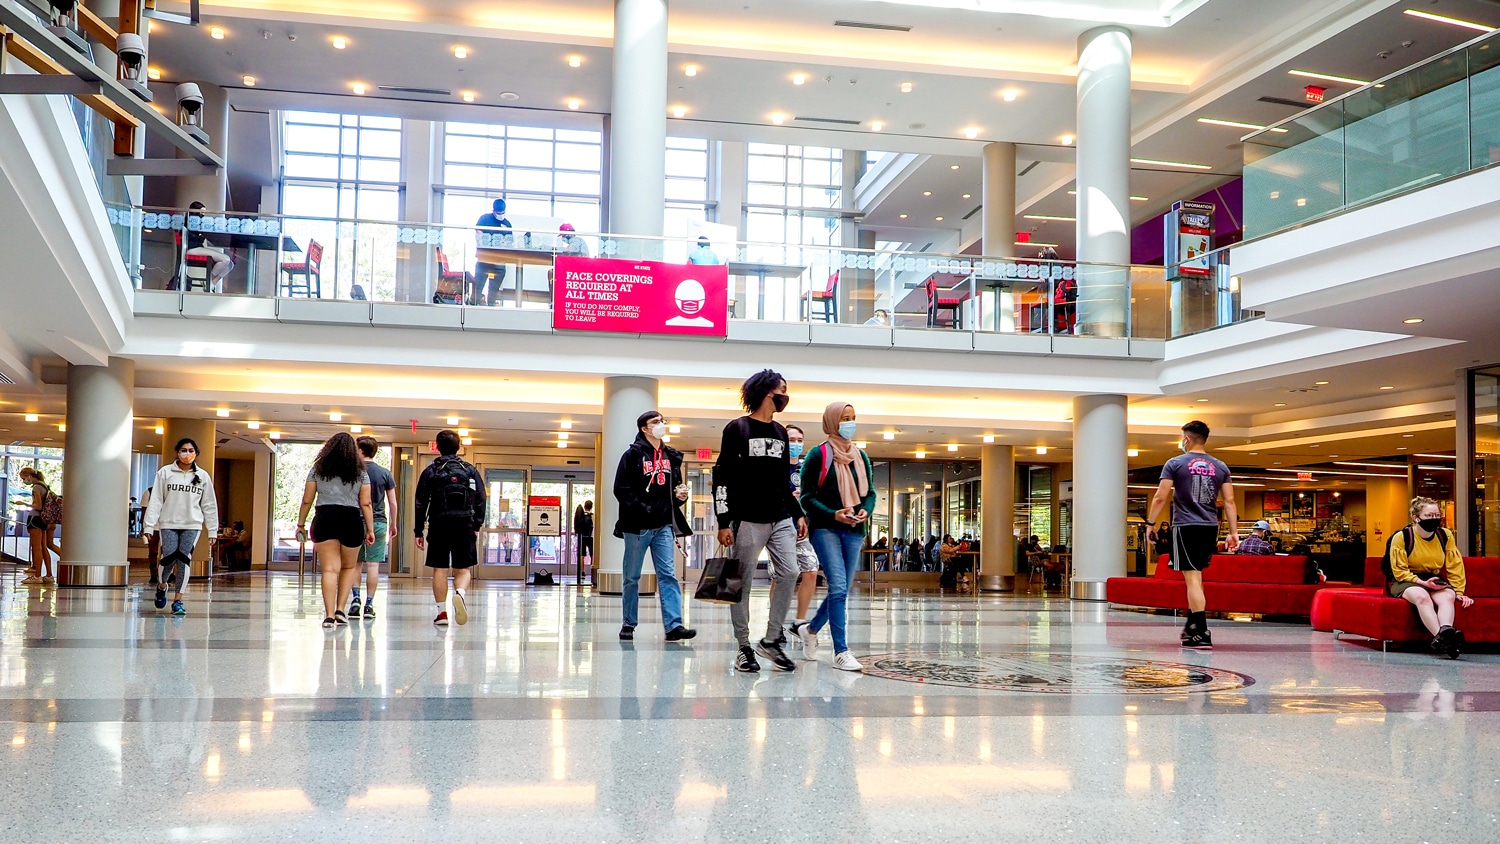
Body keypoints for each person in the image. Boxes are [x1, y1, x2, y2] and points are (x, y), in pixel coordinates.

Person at [713, 369, 807, 673]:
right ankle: (743, 646)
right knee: (742, 582)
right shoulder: (737, 429)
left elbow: (783, 481)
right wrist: (724, 520)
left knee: (791, 572)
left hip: (779, 515)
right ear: (768, 392)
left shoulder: (780, 432)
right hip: (747, 518)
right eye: (782, 389)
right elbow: (722, 476)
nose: (785, 395)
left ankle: (771, 639)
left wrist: (798, 513)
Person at [798, 401, 876, 672]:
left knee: (840, 590)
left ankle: (810, 630)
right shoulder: (818, 456)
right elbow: (806, 498)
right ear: (832, 421)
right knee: (840, 588)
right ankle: (841, 651)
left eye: (853, 418)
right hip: (826, 528)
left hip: (854, 530)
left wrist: (865, 510)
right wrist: (834, 514)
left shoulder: (861, 456)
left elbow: (870, 493)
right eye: (845, 418)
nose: (850, 423)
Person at [1147, 420, 1238, 650]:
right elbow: (1229, 501)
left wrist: (1151, 523)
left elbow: (1160, 497)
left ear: (1186, 439)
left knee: (1192, 579)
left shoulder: (1175, 463)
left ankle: (1202, 631)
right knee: (1196, 577)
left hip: (1186, 526)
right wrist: (1233, 532)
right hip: (1209, 526)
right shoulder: (1220, 466)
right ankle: (1191, 627)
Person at [612, 410, 697, 642]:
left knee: (668, 575)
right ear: (644, 428)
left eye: (662, 421)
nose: (660, 425)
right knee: (632, 577)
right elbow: (621, 490)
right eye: (655, 422)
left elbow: (674, 489)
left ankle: (674, 625)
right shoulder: (632, 455)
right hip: (637, 528)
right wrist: (643, 508)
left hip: (663, 526)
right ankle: (629, 623)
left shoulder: (670, 456)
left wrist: (680, 496)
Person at [296, 432, 373, 629]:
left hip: (324, 518)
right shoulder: (360, 471)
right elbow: (366, 503)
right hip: (351, 520)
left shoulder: (318, 469)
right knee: (348, 567)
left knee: (329, 569)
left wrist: (300, 523)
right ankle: (340, 609)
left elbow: (307, 499)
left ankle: (328, 615)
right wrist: (370, 529)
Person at [414, 430, 486, 626]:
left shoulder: (431, 471)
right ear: (459, 446)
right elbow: (480, 498)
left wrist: (418, 531)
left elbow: (420, 502)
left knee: (440, 568)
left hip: (439, 523)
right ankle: (460, 594)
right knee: (463, 568)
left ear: (437, 446)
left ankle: (441, 613)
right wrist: (477, 524)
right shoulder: (469, 470)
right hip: (465, 523)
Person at [1386, 497, 1470, 658]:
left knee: (1447, 596)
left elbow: (1454, 565)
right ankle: (1444, 639)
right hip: (1406, 580)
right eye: (1429, 515)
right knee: (1422, 596)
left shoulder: (1444, 535)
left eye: (1437, 515)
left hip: (1432, 577)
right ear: (1415, 518)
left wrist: (1458, 591)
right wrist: (1422, 583)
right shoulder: (1402, 536)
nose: (1434, 519)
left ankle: (1445, 632)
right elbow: (1399, 570)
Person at [142, 439, 220, 615]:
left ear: (196, 453)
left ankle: (178, 600)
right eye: (183, 450)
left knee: (184, 560)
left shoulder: (202, 476)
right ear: (177, 453)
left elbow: (209, 504)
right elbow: (156, 500)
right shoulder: (165, 473)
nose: (187, 453)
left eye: (191, 450)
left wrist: (212, 529)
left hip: (192, 524)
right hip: (168, 523)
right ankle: (162, 586)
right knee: (168, 558)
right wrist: (149, 526)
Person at [349, 436, 397, 620]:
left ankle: (355, 600)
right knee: (373, 565)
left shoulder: (353, 473)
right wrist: (393, 524)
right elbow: (392, 502)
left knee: (355, 564)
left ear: (361, 451)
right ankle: (369, 604)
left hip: (354, 521)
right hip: (378, 523)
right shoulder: (384, 473)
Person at [784, 424, 821, 658]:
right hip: (779, 525)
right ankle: (775, 621)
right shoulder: (775, 466)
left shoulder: (807, 468)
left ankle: (799, 620)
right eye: (791, 439)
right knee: (782, 575)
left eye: (800, 438)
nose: (796, 443)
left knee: (811, 570)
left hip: (802, 527)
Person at [15, 467, 61, 585]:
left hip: (35, 519)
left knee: (36, 547)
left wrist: (24, 503)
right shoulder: (44, 486)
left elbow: (38, 506)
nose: (24, 481)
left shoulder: (36, 487)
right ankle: (49, 575)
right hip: (43, 520)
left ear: (29, 476)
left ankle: (37, 575)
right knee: (43, 547)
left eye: (24, 478)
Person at [184, 201, 233, 291]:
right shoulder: (192, 221)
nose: (203, 215)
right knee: (225, 259)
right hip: (193, 248)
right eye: (202, 212)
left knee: (230, 264)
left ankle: (211, 284)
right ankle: (209, 281)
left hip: (197, 248)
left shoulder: (196, 223)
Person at [473, 198, 513, 306]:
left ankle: (491, 304)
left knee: (493, 290)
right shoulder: (484, 219)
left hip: (498, 262)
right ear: (494, 211)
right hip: (484, 260)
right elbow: (478, 234)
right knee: (477, 287)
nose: (500, 215)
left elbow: (509, 243)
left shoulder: (507, 224)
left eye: (502, 213)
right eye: (498, 213)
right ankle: (474, 303)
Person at [574, 500, 594, 580]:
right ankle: (592, 571)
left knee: (582, 555)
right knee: (592, 554)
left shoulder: (581, 516)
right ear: (591, 507)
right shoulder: (592, 516)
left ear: (584, 506)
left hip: (582, 537)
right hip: (591, 537)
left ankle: (582, 571)